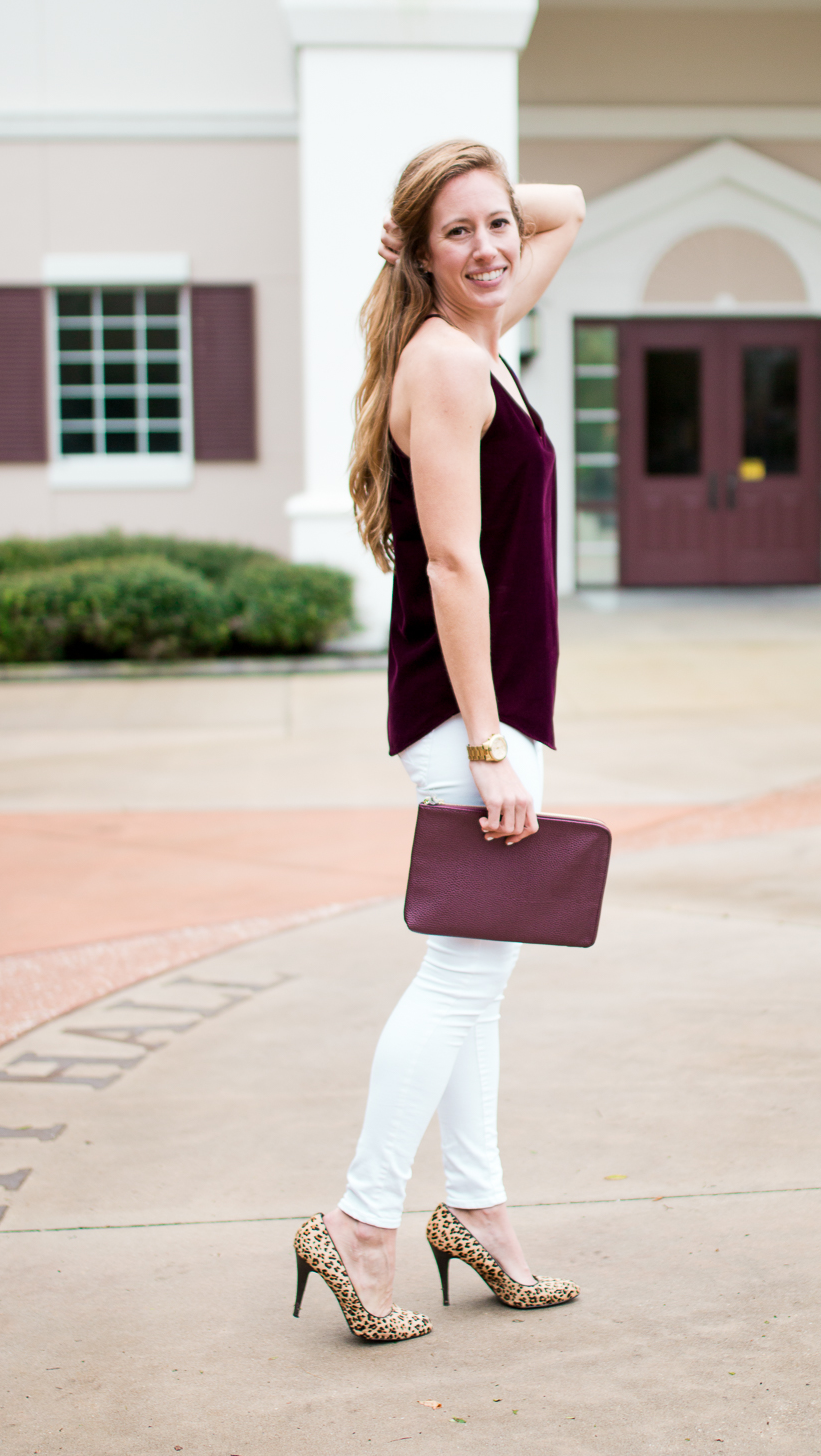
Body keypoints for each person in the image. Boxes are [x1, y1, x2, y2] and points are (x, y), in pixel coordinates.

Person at [293, 139, 585, 1342]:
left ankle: (477, 1213)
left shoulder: (477, 334)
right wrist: (484, 748)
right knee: (463, 974)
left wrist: (459, 205)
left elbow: (568, 210)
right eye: (457, 233)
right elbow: (455, 566)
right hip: (467, 714)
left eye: (494, 228)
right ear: (418, 254)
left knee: (482, 985)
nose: (493, 248)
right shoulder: (448, 366)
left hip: (494, 706)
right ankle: (361, 1227)